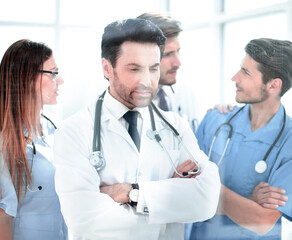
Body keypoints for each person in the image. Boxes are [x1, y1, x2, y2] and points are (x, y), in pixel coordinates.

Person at [52, 18, 220, 240]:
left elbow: (206, 201)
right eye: (134, 69)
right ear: (107, 68)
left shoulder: (175, 126)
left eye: (154, 68)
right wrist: (168, 205)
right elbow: (84, 219)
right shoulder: (73, 131)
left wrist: (132, 194)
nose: (147, 81)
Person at [189, 38, 292, 240]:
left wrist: (208, 190)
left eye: (246, 73)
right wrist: (247, 202)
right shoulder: (215, 120)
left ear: (274, 85)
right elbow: (185, 186)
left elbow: (262, 222)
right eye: (240, 69)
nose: (234, 78)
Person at [0, 39, 67, 239]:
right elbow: (3, 215)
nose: (60, 80)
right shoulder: (4, 139)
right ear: (27, 78)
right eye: (53, 73)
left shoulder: (52, 126)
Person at [137, 12, 200, 132]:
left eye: (178, 52)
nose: (178, 62)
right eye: (168, 54)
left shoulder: (185, 93)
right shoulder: (124, 101)